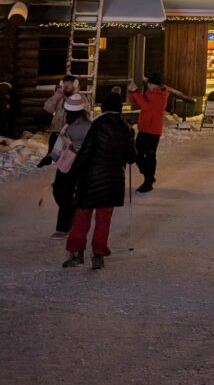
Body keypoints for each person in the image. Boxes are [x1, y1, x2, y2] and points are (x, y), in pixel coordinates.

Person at [62, 91, 137, 270]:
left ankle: (76, 252)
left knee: (82, 216)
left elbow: (86, 152)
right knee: (104, 219)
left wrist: (73, 173)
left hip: (90, 179)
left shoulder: (96, 126)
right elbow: (132, 157)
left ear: (104, 108)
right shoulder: (126, 129)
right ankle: (98, 255)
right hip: (112, 182)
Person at [49, 93, 92, 236]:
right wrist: (52, 156)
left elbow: (91, 145)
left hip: (77, 163)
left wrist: (79, 152)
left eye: (71, 112)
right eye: (68, 112)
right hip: (64, 161)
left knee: (65, 192)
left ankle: (64, 227)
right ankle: (71, 214)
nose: (68, 114)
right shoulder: (68, 124)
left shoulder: (87, 126)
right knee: (59, 191)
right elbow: (61, 141)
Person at [127, 72, 168, 193]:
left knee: (150, 156)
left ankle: (148, 181)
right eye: (149, 84)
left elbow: (145, 106)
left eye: (151, 84)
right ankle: (149, 176)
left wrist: (135, 93)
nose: (149, 86)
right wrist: (131, 93)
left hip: (153, 130)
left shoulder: (160, 95)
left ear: (157, 85)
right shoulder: (150, 92)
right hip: (144, 128)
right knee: (137, 154)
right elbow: (136, 102)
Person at [39, 74, 79, 163]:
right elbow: (48, 109)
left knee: (67, 160)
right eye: (65, 82)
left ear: (74, 84)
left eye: (69, 83)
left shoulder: (78, 99)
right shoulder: (59, 97)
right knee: (51, 158)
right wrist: (56, 96)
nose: (67, 85)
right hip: (56, 131)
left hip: (70, 134)